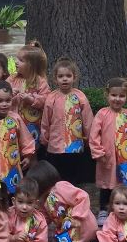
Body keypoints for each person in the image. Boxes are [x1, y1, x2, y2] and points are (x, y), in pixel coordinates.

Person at [88, 77, 127, 227]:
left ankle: (126, 208)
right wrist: (98, 152)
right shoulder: (102, 114)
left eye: (121, 96)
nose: (117, 99)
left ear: (126, 96)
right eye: (114, 95)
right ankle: (103, 210)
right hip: (107, 158)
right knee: (106, 185)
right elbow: (94, 135)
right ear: (107, 95)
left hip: (124, 159)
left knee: (124, 184)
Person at [27, 160, 101, 242]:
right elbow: (44, 219)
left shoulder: (60, 187)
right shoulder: (44, 201)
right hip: (74, 231)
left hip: (81, 227)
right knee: (54, 241)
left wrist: (76, 217)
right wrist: (33, 231)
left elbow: (83, 196)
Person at [40, 57, 94, 186]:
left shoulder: (80, 97)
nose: (65, 79)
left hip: (75, 145)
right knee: (57, 176)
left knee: (73, 175)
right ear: (55, 78)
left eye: (68, 76)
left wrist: (89, 139)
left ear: (74, 77)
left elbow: (87, 119)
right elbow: (45, 120)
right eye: (61, 76)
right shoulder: (51, 97)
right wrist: (44, 138)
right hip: (55, 145)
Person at [9, 41, 50, 145]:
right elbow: (0, 93)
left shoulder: (40, 81)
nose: (16, 61)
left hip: (32, 125)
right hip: (13, 122)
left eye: (21, 60)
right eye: (16, 58)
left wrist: (32, 99)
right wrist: (9, 93)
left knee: (31, 151)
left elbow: (46, 101)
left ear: (31, 65)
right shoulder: (12, 79)